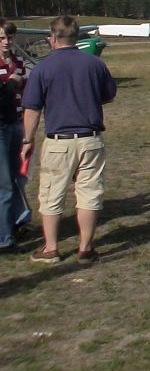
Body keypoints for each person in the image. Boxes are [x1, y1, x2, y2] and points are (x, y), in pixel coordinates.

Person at [21, 16, 116, 264]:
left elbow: (32, 108)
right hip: (91, 139)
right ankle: (85, 248)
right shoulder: (95, 64)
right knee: (89, 194)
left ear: (52, 38)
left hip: (59, 141)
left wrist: (27, 139)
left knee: (52, 194)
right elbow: (108, 96)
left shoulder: (43, 67)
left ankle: (51, 248)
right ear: (76, 37)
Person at [0, 19, 28, 253]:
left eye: (9, 38)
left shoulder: (18, 61)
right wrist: (9, 84)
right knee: (5, 183)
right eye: (1, 38)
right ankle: (5, 236)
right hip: (1, 125)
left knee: (19, 176)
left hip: (17, 122)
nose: (6, 42)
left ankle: (18, 221)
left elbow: (23, 90)